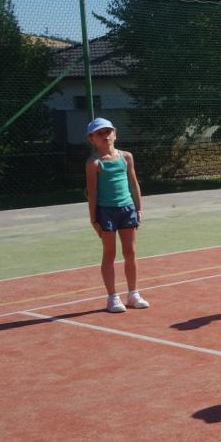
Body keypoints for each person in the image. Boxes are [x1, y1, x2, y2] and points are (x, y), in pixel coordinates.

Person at [84, 117, 149, 313]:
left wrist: (139, 208)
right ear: (92, 139)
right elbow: (92, 193)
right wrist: (94, 219)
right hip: (106, 212)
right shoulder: (93, 163)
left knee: (130, 252)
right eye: (100, 133)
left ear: (115, 133)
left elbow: (134, 184)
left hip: (127, 209)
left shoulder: (126, 157)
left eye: (108, 131)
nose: (105, 136)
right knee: (109, 253)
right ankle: (112, 297)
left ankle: (133, 294)